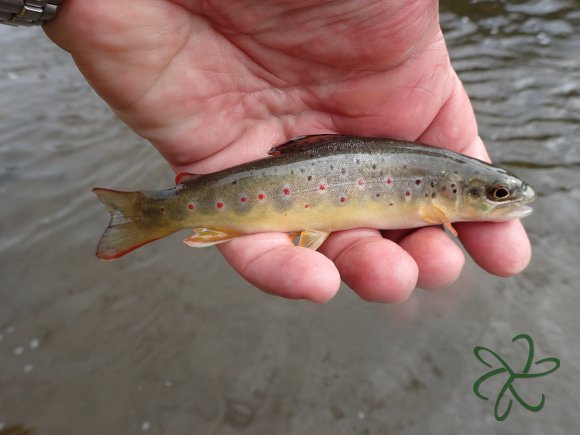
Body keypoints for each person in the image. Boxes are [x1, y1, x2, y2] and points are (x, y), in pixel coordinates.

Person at [43, 0, 531, 303]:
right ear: (449, 194)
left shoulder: (436, 182)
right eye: (497, 193)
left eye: (499, 194)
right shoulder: (435, 190)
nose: (508, 200)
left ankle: (159, 213)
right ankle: (151, 214)